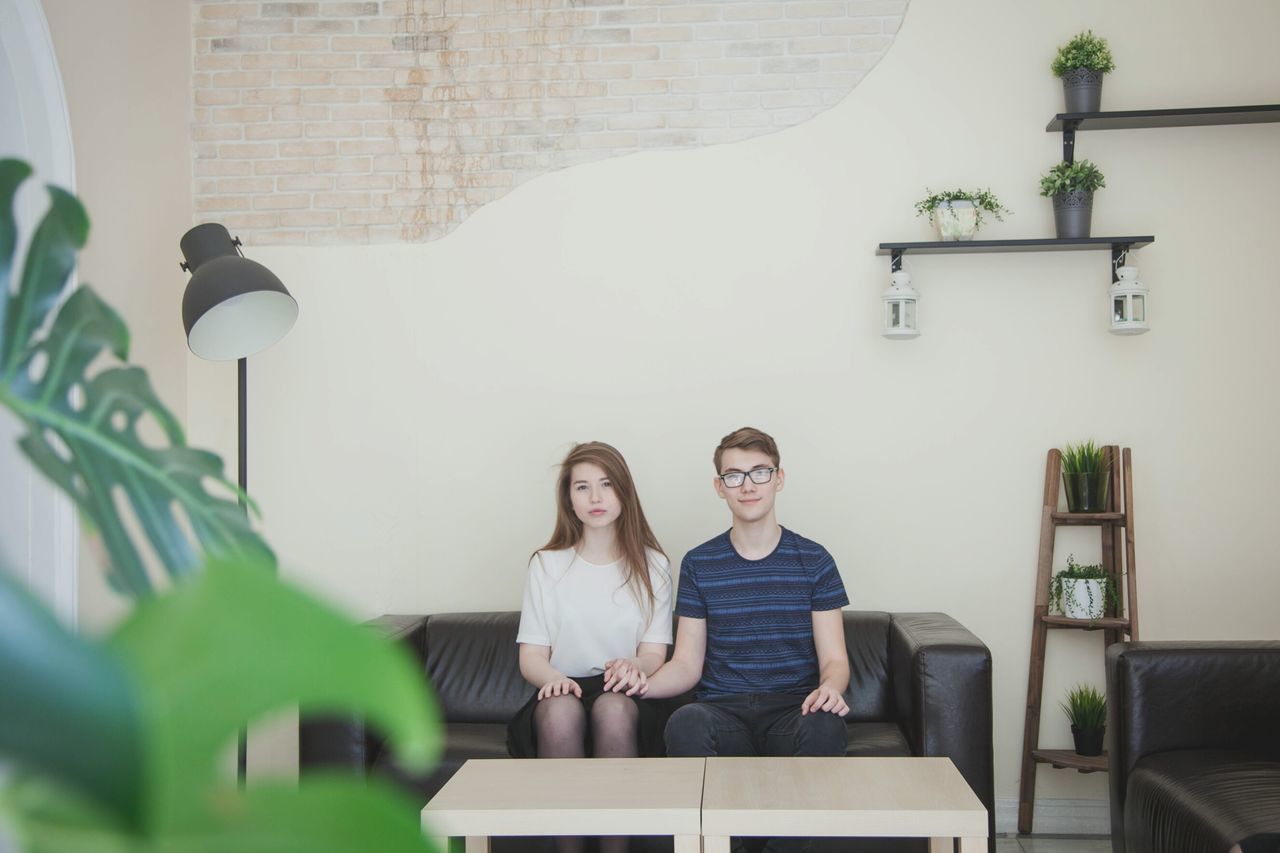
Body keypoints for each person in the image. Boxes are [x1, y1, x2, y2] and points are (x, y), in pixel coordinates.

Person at [604, 426, 850, 853]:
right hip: (724, 715)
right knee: (685, 720)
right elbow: (685, 664)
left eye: (759, 472)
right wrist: (643, 683)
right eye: (734, 476)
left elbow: (836, 661)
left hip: (792, 712)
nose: (748, 485)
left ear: (779, 478)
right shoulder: (700, 563)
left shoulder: (815, 560)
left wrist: (830, 689)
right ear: (720, 488)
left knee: (827, 726)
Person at [507, 441, 673, 853]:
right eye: (582, 487)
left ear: (623, 493)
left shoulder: (654, 565)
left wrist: (634, 665)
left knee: (613, 708)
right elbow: (531, 658)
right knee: (561, 712)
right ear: (569, 498)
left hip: (623, 691)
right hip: (561, 686)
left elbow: (654, 654)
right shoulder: (546, 564)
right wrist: (556, 680)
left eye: (605, 484)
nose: (595, 497)